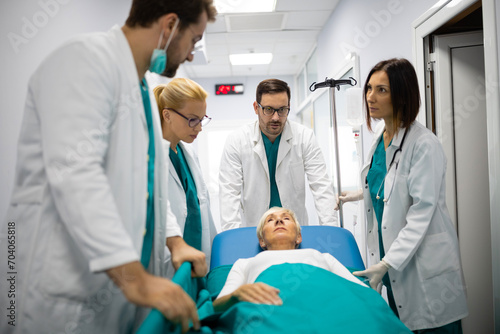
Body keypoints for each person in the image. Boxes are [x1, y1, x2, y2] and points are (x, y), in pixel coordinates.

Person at [0, 1, 217, 333]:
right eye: (193, 40)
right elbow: (75, 174)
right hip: (61, 294)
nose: (191, 54)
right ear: (170, 25)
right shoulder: (84, 59)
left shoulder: (141, 89)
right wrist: (135, 278)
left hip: (113, 294)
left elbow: (152, 190)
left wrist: (175, 240)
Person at [336, 58, 468, 332]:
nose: (371, 97)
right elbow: (388, 186)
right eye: (369, 89)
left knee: (433, 325)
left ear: (403, 94)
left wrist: (386, 263)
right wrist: (359, 195)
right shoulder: (382, 139)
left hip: (421, 267)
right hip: (391, 266)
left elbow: (421, 211)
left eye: (381, 90)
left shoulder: (423, 144)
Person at [218, 78, 338, 230]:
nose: (276, 117)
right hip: (255, 229)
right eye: (268, 109)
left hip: (294, 230)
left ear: (289, 107)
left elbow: (321, 187)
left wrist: (331, 232)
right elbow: (229, 194)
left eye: (282, 110)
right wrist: (233, 238)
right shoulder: (237, 141)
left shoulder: (304, 137)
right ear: (256, 108)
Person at [213, 207, 364, 311]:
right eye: (270, 220)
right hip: (269, 312)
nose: (279, 221)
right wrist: (236, 296)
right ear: (262, 241)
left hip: (325, 307)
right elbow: (216, 306)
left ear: (299, 237)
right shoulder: (244, 263)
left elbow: (362, 292)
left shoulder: (322, 257)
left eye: (286, 218)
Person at [153, 79, 217, 277]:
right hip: (167, 262)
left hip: (198, 258)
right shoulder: (151, 156)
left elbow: (201, 209)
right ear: (167, 115)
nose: (199, 128)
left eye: (201, 119)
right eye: (192, 120)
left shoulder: (188, 153)